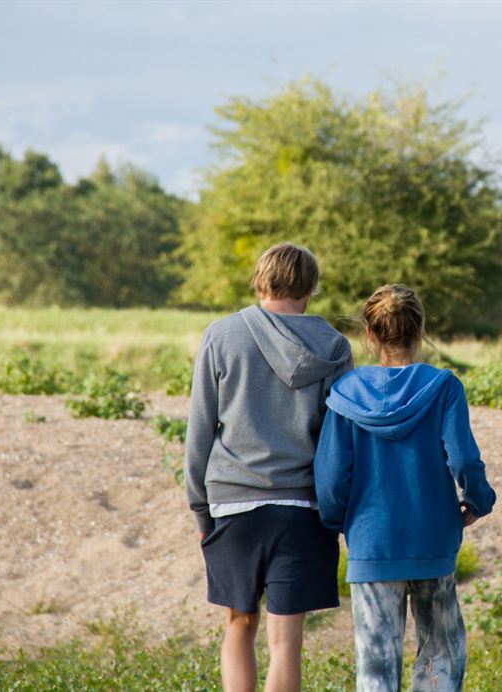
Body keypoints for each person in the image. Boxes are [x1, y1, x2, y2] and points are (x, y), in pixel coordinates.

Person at [185, 242, 353, 692]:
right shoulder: (335, 347)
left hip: (233, 504)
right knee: (287, 641)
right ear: (312, 287)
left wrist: (200, 511)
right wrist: (336, 513)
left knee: (238, 624)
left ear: (260, 281)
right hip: (302, 508)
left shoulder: (221, 336)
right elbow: (338, 441)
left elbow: (200, 429)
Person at [314, 284, 497, 692]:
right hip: (433, 538)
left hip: (371, 542)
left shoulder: (345, 394)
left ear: (370, 333)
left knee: (376, 666)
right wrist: (478, 501)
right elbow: (464, 460)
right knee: (440, 657)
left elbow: (329, 477)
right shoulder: (444, 387)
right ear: (420, 329)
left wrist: (339, 521)